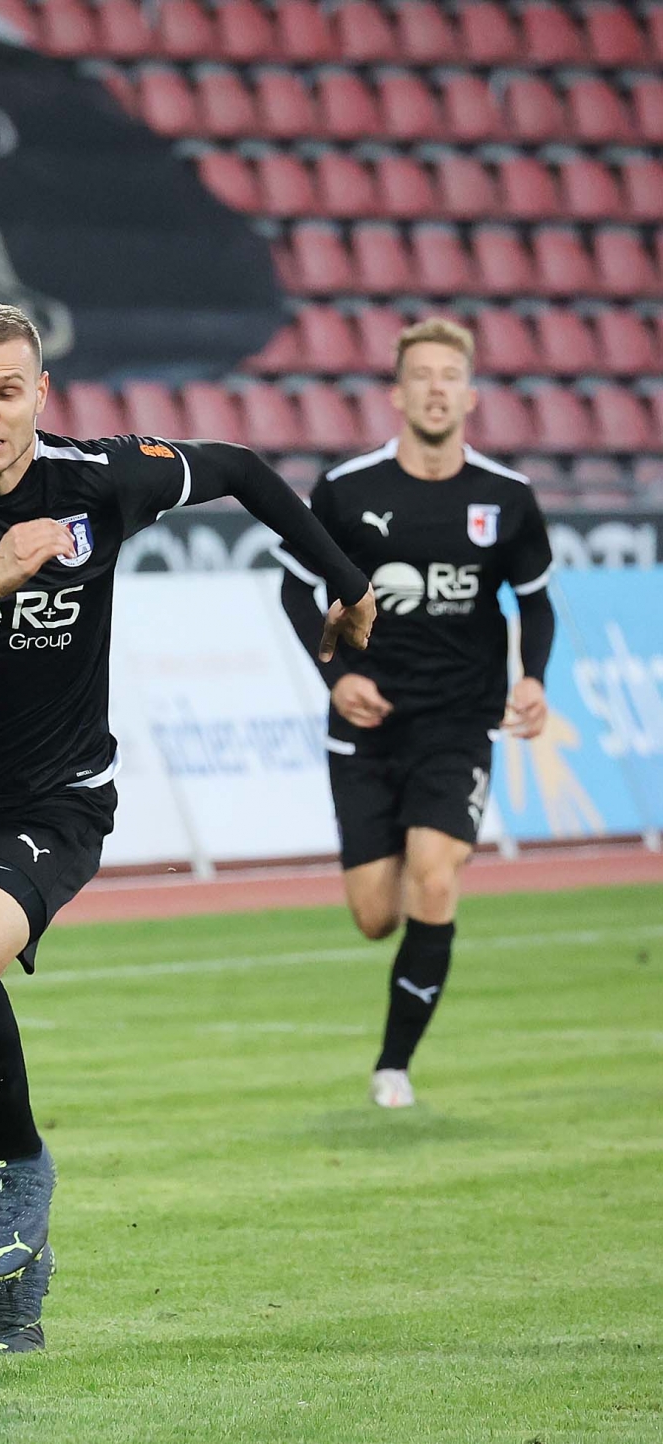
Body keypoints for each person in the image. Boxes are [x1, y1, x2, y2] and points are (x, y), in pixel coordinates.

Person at [0, 302, 376, 1355]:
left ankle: (25, 1162)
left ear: (40, 392)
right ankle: (16, 1268)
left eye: (5, 391)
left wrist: (346, 583)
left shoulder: (100, 478)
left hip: (54, 801)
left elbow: (248, 471)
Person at [278, 317, 554, 1111]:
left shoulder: (507, 498)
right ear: (398, 394)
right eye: (421, 375)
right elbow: (297, 585)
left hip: (459, 723)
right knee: (374, 917)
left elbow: (535, 604)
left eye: (449, 375)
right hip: (364, 725)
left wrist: (532, 678)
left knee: (435, 881)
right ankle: (409, 921)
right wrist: (333, 673)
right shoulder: (349, 489)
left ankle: (392, 1067)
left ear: (469, 395)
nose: (436, 387)